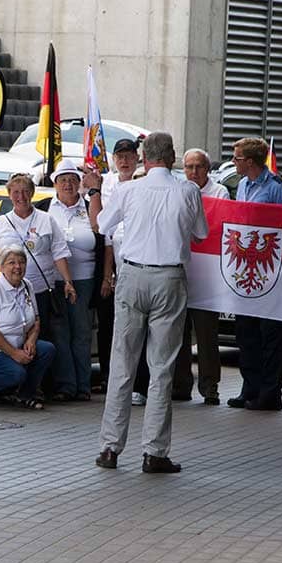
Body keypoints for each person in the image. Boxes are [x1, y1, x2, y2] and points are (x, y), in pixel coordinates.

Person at [95, 131, 208, 474]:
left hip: (132, 275)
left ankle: (110, 448)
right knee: (161, 367)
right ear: (171, 156)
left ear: (145, 158)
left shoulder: (129, 189)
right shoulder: (187, 190)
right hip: (169, 278)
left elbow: (102, 225)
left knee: (122, 362)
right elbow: (201, 232)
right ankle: (154, 451)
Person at [0, 172, 77, 332]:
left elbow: (59, 253)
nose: (21, 196)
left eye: (25, 191)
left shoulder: (47, 219)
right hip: (11, 292)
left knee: (42, 335)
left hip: (41, 290)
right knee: (15, 334)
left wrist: (68, 281)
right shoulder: (1, 222)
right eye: (16, 192)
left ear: (32, 193)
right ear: (9, 195)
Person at [228, 136, 282, 411]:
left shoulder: (278, 188)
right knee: (246, 333)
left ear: (251, 161)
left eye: (238, 158)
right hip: (247, 271)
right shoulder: (242, 185)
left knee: (270, 334)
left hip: (272, 272)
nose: (234, 162)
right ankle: (250, 386)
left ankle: (270, 392)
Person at [96, 138, 151, 402]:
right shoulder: (108, 185)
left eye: (129, 155)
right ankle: (111, 380)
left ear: (137, 157)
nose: (124, 160)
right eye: (120, 156)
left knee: (137, 331)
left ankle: (140, 385)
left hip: (141, 270)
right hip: (117, 270)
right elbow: (106, 234)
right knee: (113, 329)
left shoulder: (144, 186)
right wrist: (108, 274)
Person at [174, 148, 229, 404]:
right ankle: (181, 385)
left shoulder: (219, 193)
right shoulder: (177, 190)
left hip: (207, 274)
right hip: (180, 271)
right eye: (189, 167)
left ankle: (210, 387)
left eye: (199, 166)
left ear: (208, 168)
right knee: (179, 334)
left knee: (207, 335)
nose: (193, 172)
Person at [0, 246, 56, 410]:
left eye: (22, 262)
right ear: (2, 267)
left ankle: (25, 394)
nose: (18, 267)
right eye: (12, 263)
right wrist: (14, 353)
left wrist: (31, 340)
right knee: (16, 374)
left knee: (47, 349)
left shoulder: (27, 285)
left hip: (18, 342)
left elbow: (36, 319)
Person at [47, 159, 102, 402]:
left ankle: (83, 386)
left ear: (80, 183)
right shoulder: (44, 208)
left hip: (84, 279)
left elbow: (104, 239)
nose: (68, 184)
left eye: (72, 180)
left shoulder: (91, 206)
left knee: (82, 333)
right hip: (55, 280)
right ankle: (65, 386)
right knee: (60, 333)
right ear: (55, 184)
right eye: (62, 180)